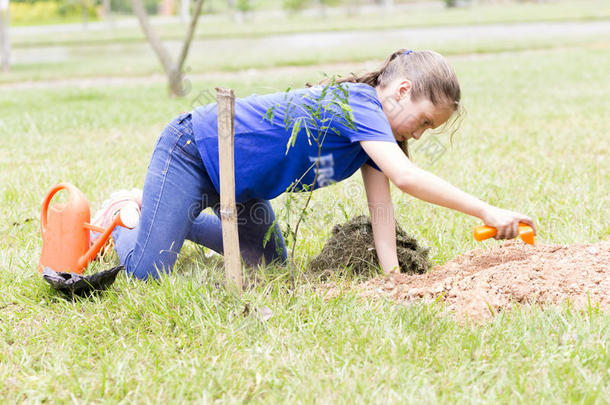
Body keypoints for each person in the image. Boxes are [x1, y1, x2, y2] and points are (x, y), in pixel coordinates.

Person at [92, 48, 536, 280]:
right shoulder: (360, 104)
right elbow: (406, 178)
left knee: (267, 263)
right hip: (193, 152)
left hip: (239, 189)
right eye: (422, 121)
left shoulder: (376, 138)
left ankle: (165, 213)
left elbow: (381, 209)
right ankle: (128, 216)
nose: (418, 134)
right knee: (145, 273)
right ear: (401, 90)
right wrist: (486, 211)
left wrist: (393, 275)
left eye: (427, 130)